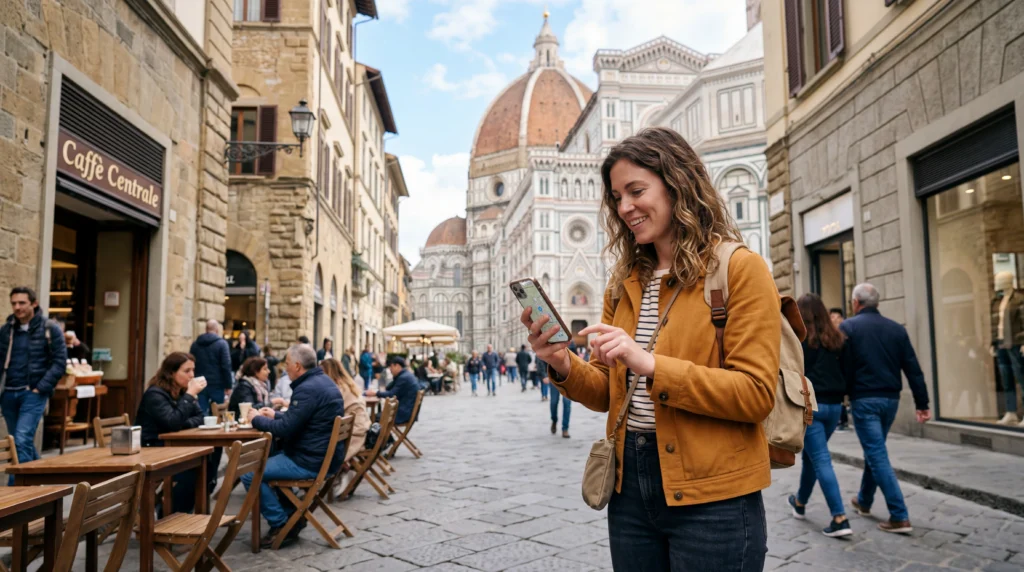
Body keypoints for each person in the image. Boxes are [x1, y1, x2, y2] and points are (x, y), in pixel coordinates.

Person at [521, 128, 777, 570]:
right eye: (617, 197)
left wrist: (651, 363)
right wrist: (562, 363)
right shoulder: (625, 282)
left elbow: (755, 394)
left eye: (636, 191)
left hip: (713, 494)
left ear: (678, 183)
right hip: (630, 487)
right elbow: (606, 393)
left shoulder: (740, 269)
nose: (625, 208)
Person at [841, 283, 931, 534]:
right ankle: (864, 500)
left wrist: (843, 394)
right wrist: (922, 403)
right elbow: (913, 368)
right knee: (876, 449)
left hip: (865, 400)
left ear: (856, 303)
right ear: (876, 303)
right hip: (891, 400)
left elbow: (844, 367)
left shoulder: (848, 328)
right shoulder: (896, 330)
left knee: (877, 454)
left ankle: (899, 515)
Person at [242, 344, 344, 548]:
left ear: (297, 366)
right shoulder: (323, 382)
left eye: (287, 364)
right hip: (325, 458)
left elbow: (286, 429)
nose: (285, 369)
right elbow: (300, 420)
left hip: (309, 460)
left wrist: (255, 420)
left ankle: (281, 523)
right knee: (268, 464)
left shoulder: (306, 389)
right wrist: (275, 415)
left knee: (250, 473)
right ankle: (292, 517)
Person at [788, 294, 852, 538]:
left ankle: (840, 517)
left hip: (811, 406)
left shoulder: (801, 341)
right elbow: (847, 371)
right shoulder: (837, 339)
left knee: (821, 459)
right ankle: (800, 502)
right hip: (835, 408)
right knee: (813, 457)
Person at [0, 287, 67, 480]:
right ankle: (42, 483)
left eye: (22, 303)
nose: (17, 307)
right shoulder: (6, 330)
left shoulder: (49, 328)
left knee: (20, 441)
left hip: (33, 393)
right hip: (8, 394)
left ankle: (17, 493)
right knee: (19, 443)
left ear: (34, 304)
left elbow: (59, 362)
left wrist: (40, 388)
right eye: (14, 303)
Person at [135, 352, 206, 513]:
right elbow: (172, 422)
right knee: (193, 470)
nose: (192, 375)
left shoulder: (181, 391)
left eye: (193, 370)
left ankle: (175, 512)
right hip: (151, 448)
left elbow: (200, 417)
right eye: (186, 371)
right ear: (171, 373)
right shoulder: (155, 394)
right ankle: (170, 514)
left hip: (170, 446)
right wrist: (189, 395)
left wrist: (181, 422)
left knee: (208, 459)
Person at [320, 358, 370, 495]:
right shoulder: (348, 384)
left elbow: (328, 413)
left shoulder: (338, 388)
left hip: (354, 434)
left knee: (322, 445)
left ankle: (341, 471)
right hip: (360, 428)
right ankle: (342, 471)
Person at [189, 319, 233, 415]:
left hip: (199, 382)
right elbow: (226, 365)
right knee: (218, 413)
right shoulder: (222, 344)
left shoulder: (195, 344)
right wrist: (228, 385)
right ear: (217, 330)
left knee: (201, 412)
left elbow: (191, 363)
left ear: (206, 329)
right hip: (217, 383)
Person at [367, 356, 419, 425]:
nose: (390, 370)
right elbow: (389, 388)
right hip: (406, 411)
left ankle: (382, 436)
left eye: (391, 367)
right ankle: (385, 436)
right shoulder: (405, 375)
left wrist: (376, 393)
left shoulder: (403, 378)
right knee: (376, 416)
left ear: (397, 366)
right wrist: (395, 378)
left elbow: (392, 394)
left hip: (402, 414)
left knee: (373, 418)